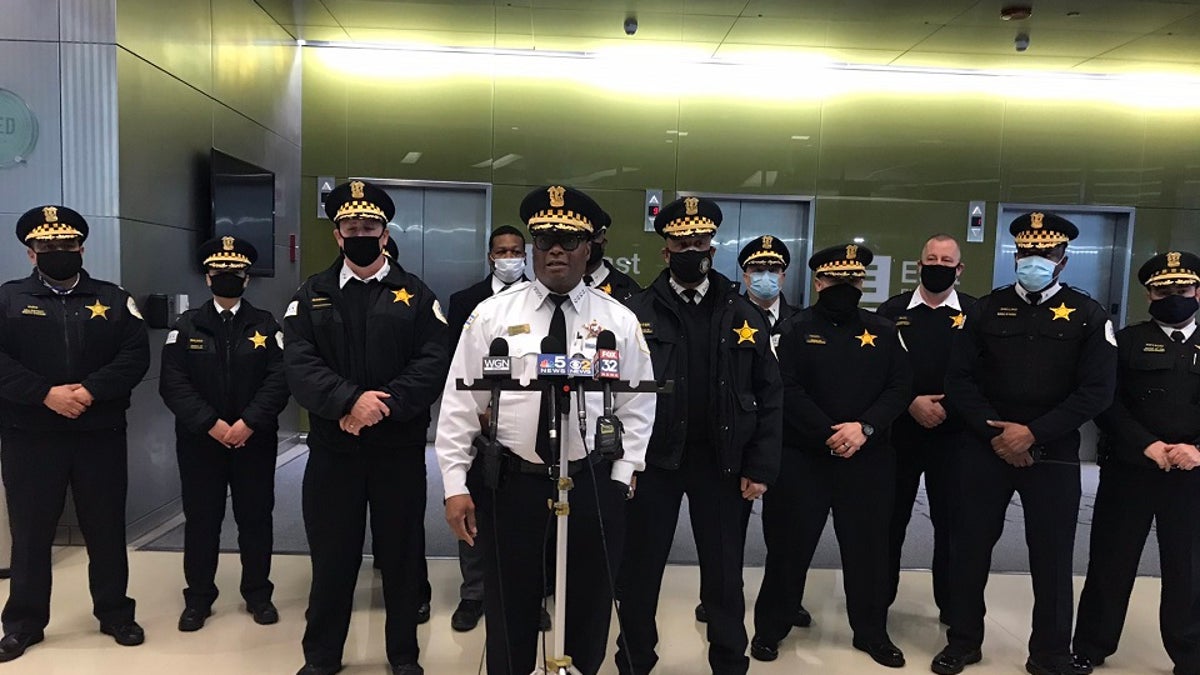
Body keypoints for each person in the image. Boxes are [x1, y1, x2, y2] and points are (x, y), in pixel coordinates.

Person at [435, 185, 655, 675]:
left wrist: (623, 474)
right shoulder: (491, 315)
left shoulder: (617, 320)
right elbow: (458, 406)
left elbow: (637, 404)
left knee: (590, 605)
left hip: (592, 481)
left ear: (590, 248)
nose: (555, 249)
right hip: (511, 484)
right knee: (510, 606)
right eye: (544, 239)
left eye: (569, 239)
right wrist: (453, 484)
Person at [935, 211, 1116, 675]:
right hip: (985, 447)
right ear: (1015, 255)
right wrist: (998, 434)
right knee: (969, 547)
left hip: (1052, 451)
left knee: (1052, 556)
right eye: (1026, 252)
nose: (1034, 260)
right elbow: (959, 380)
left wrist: (1033, 433)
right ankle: (963, 641)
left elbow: (1097, 391)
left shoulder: (1088, 314)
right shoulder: (986, 310)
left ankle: (1051, 652)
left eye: (1045, 253)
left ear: (1062, 259)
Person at [284, 180, 449, 675]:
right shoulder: (311, 294)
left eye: (369, 226)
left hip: (397, 452)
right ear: (337, 235)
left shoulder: (416, 294)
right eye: (351, 226)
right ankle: (321, 658)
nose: (361, 233)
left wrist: (384, 405)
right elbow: (298, 363)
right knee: (333, 561)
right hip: (334, 453)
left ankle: (402, 656)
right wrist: (349, 401)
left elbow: (433, 361)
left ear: (384, 232)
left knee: (401, 559)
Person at [616, 195, 782, 675]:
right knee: (639, 572)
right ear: (665, 251)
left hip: (723, 464)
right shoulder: (635, 311)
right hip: (653, 465)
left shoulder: (742, 311)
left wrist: (760, 466)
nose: (692, 249)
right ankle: (633, 660)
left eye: (700, 242)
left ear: (713, 247)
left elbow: (770, 395)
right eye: (680, 242)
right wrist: (621, 464)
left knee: (725, 576)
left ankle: (730, 662)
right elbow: (617, 396)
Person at [750, 243, 912, 669]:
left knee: (869, 552)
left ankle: (872, 632)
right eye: (836, 280)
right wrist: (830, 433)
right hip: (805, 458)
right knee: (788, 548)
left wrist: (864, 429)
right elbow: (785, 388)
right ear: (819, 281)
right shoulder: (795, 329)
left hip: (868, 457)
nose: (845, 288)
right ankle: (771, 628)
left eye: (853, 281)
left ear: (863, 283)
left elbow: (899, 387)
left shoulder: (884, 329)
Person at [0, 205, 150, 661]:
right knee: (30, 533)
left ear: (82, 247)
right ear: (30, 253)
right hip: (30, 435)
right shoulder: (6, 300)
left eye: (66, 245)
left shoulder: (113, 297)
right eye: (46, 246)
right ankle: (23, 623)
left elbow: (134, 357)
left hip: (98, 432)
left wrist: (87, 391)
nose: (57, 252)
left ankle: (115, 613)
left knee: (105, 527)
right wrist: (45, 394)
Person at [1074, 251, 1200, 675]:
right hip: (1131, 470)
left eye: (1182, 289)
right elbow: (1106, 402)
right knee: (1111, 561)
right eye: (1164, 290)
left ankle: (1190, 654)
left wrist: (1196, 450)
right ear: (1148, 294)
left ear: (1197, 291)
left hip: (1192, 475)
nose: (1174, 297)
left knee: (1188, 567)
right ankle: (1090, 647)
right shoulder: (1124, 341)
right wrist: (1147, 445)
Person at [159, 235, 290, 632]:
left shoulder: (266, 325)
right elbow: (173, 384)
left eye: (235, 272)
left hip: (254, 439)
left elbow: (280, 379)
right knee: (202, 519)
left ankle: (258, 593)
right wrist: (212, 424)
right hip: (202, 441)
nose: (227, 277)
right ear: (208, 276)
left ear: (247, 279)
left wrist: (248, 422)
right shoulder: (185, 326)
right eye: (220, 271)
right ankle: (198, 597)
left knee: (255, 518)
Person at [695, 234, 801, 627]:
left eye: (773, 271)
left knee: (787, 529)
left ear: (785, 276)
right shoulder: (725, 315)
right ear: (744, 273)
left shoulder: (799, 321)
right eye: (758, 270)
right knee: (728, 534)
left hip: (789, 440)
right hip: (736, 444)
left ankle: (785, 599)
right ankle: (722, 597)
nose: (766, 277)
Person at [875, 234, 975, 621]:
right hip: (898, 434)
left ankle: (951, 607)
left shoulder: (974, 313)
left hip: (954, 437)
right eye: (930, 258)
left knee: (952, 524)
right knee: (889, 520)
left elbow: (982, 376)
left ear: (959, 269)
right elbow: (878, 372)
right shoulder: (892, 310)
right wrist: (910, 402)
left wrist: (948, 406)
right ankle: (877, 600)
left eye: (946, 260)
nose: (938, 265)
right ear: (919, 265)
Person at [439, 224, 527, 632]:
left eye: (516, 251)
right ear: (490, 256)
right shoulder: (465, 302)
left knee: (525, 519)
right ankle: (474, 593)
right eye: (502, 252)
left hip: (525, 430)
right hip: (477, 429)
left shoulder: (542, 300)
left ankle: (527, 595)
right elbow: (455, 369)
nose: (509, 258)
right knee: (472, 506)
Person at [581, 211, 641, 302]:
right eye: (582, 238)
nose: (588, 245)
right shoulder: (556, 285)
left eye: (593, 237)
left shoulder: (629, 290)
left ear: (604, 242)